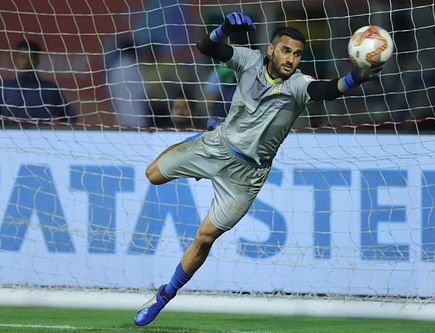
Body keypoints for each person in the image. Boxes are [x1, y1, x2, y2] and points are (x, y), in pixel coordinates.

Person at [134, 12, 381, 326]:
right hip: (217, 146)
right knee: (152, 175)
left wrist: (355, 78)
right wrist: (222, 29)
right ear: (271, 49)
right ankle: (203, 135)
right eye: (286, 50)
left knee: (204, 238)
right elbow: (206, 48)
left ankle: (164, 296)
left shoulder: (298, 85)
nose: (291, 58)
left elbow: (328, 90)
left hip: (246, 177)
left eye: (297, 54)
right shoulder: (248, 61)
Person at [0, 40, 75, 125]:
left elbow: (69, 115)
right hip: (8, 136)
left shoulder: (49, 89)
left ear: (37, 60)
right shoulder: (4, 89)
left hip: (42, 135)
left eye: (30, 57)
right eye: (22, 56)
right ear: (15, 59)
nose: (26, 61)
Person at [107, 38, 149, 128]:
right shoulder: (133, 67)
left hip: (121, 116)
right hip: (136, 116)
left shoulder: (115, 68)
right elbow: (144, 91)